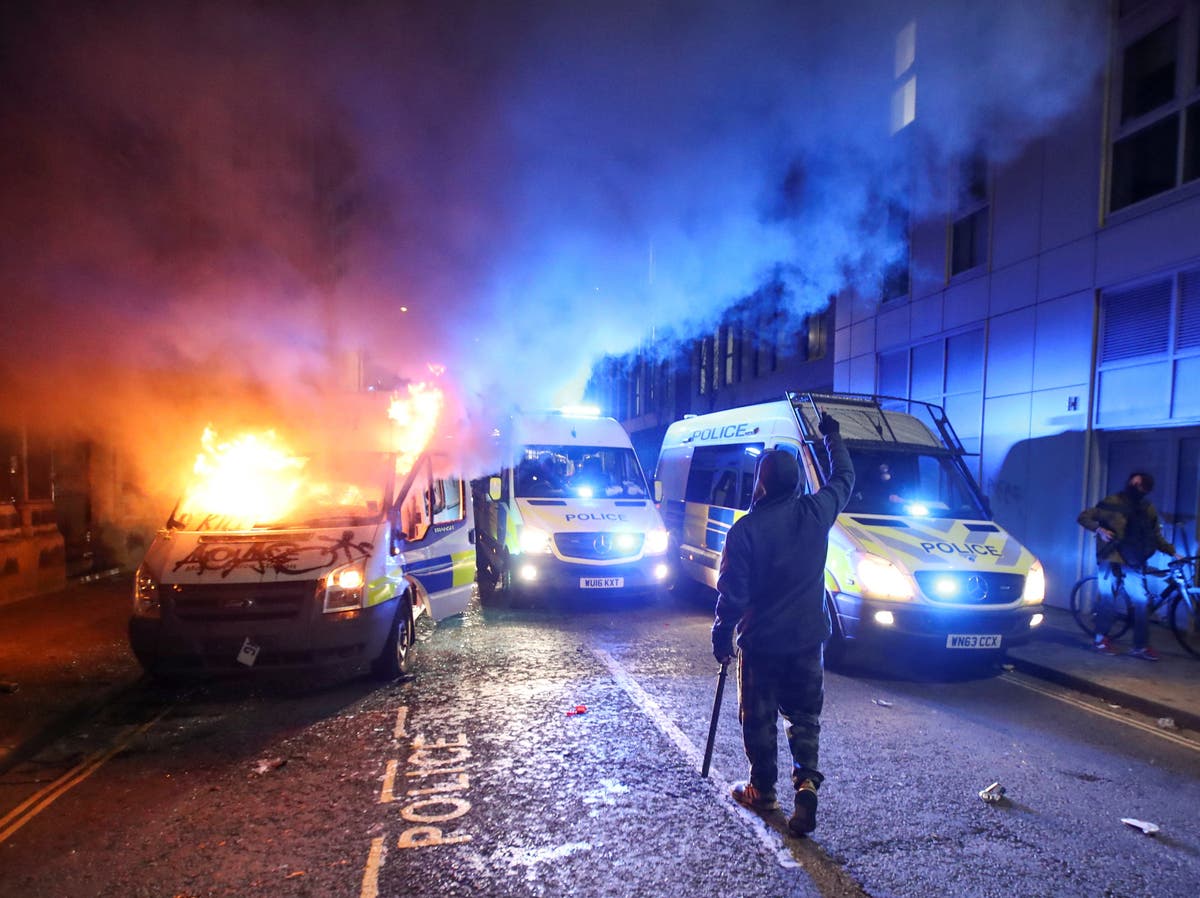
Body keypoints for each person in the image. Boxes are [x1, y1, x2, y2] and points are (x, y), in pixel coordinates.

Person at [711, 411, 854, 837]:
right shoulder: (816, 512)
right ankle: (806, 785)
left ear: (763, 482)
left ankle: (762, 790)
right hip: (809, 639)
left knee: (758, 719)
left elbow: (732, 595)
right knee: (805, 716)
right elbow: (843, 477)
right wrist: (833, 436)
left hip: (762, 644)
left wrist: (722, 635)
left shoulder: (745, 531)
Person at [1077, 471, 1181, 661]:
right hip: (1111, 557)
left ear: (1146, 489)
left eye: (1140, 485)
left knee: (1141, 601)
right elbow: (1084, 517)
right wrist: (1099, 529)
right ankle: (1100, 640)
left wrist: (1173, 552)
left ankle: (1140, 646)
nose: (1135, 486)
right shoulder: (1112, 502)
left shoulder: (1146, 508)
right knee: (1108, 599)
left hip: (1133, 560)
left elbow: (1154, 536)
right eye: (1134, 483)